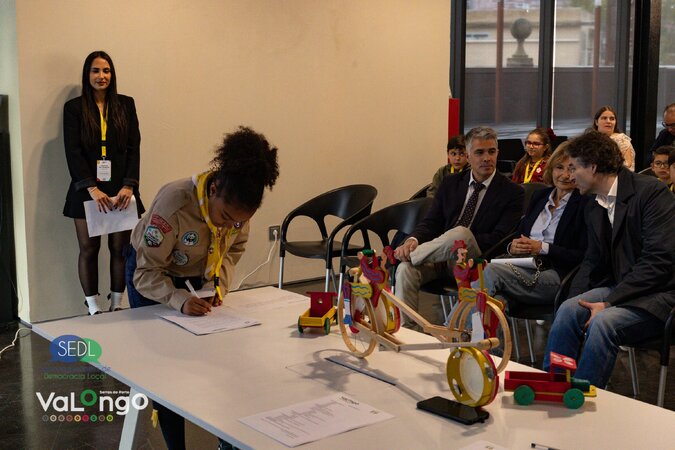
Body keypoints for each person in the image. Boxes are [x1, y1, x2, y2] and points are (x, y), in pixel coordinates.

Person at [126, 126, 279, 449]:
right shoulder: (174, 205)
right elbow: (145, 273)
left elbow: (233, 251)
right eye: (225, 216)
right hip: (154, 277)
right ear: (214, 189)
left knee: (218, 363)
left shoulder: (238, 211)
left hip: (196, 279)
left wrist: (217, 284)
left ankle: (228, 440)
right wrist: (178, 300)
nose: (229, 225)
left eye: (238, 221)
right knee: (166, 371)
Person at [543, 131, 675, 389]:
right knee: (569, 309)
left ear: (592, 167)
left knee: (603, 322)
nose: (570, 176)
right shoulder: (593, 204)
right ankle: (554, 387)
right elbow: (592, 262)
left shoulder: (651, 193)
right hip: (623, 288)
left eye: (575, 168)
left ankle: (582, 396)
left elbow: (658, 262)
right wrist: (578, 299)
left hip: (660, 295)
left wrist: (609, 302)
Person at [394, 126, 524, 323]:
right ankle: (408, 332)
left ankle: (407, 256)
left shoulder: (512, 192)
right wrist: (414, 239)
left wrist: (457, 244)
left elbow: (500, 238)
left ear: (498, 153)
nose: (487, 158)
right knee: (405, 270)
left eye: (491, 151)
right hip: (439, 256)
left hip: (477, 259)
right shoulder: (450, 183)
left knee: (461, 234)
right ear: (468, 156)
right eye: (480, 152)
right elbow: (432, 221)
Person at [63, 50, 144, 315]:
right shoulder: (74, 108)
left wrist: (129, 185)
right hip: (87, 189)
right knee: (89, 248)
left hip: (121, 189)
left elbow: (134, 147)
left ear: (112, 74)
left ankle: (117, 303)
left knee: (120, 249)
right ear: (87, 75)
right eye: (96, 70)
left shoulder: (126, 104)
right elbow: (72, 151)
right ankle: (93, 307)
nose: (102, 76)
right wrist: (92, 188)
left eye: (106, 70)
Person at [477, 143, 589, 307]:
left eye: (571, 169)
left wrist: (542, 248)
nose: (565, 175)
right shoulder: (540, 196)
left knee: (490, 273)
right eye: (559, 167)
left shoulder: (586, 203)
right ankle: (469, 324)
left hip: (557, 274)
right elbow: (518, 235)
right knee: (497, 301)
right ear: (551, 169)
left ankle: (456, 323)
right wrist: (512, 247)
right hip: (522, 266)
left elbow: (584, 255)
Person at [592, 105, 635, 171]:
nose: (608, 121)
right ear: (596, 122)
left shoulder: (621, 139)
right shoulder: (590, 140)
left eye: (612, 119)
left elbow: (627, 165)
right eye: (604, 118)